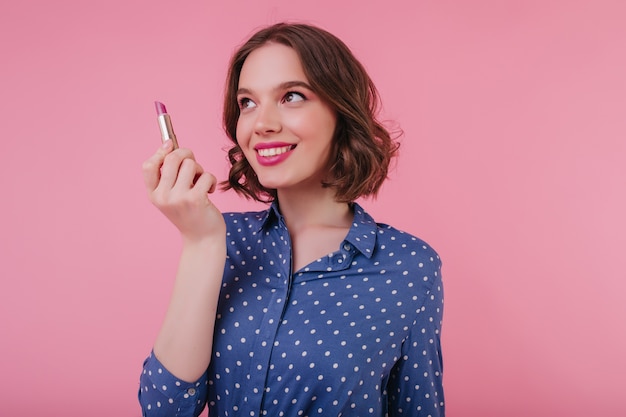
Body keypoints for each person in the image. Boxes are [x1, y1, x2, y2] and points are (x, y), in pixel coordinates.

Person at [138, 22, 444, 417]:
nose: (261, 123)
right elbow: (165, 409)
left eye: (292, 96)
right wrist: (201, 244)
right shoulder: (221, 239)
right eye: (247, 103)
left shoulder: (409, 266)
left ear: (341, 112)